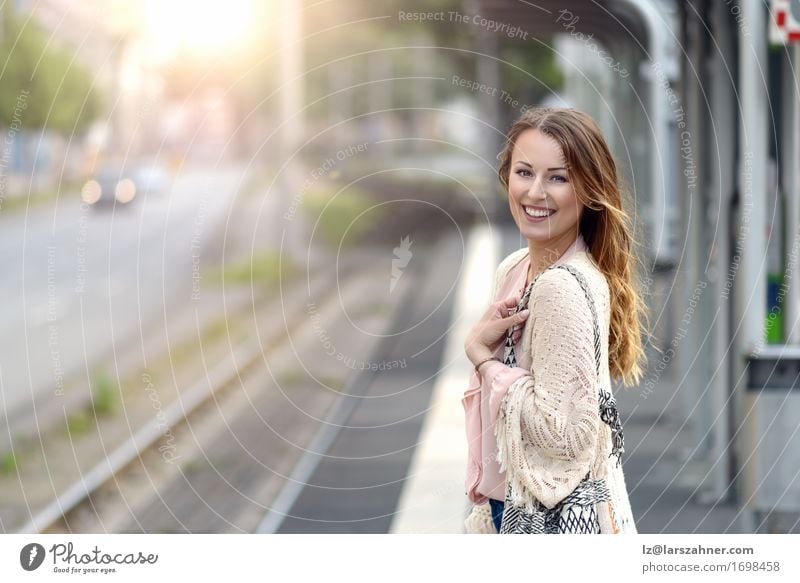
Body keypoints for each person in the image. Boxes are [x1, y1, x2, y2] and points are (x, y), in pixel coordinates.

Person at [462, 107, 650, 534]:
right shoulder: (515, 270)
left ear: (589, 190)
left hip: (548, 520)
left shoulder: (560, 288)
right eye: (524, 172)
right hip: (510, 507)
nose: (535, 192)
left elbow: (565, 433)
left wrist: (483, 360)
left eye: (558, 178)